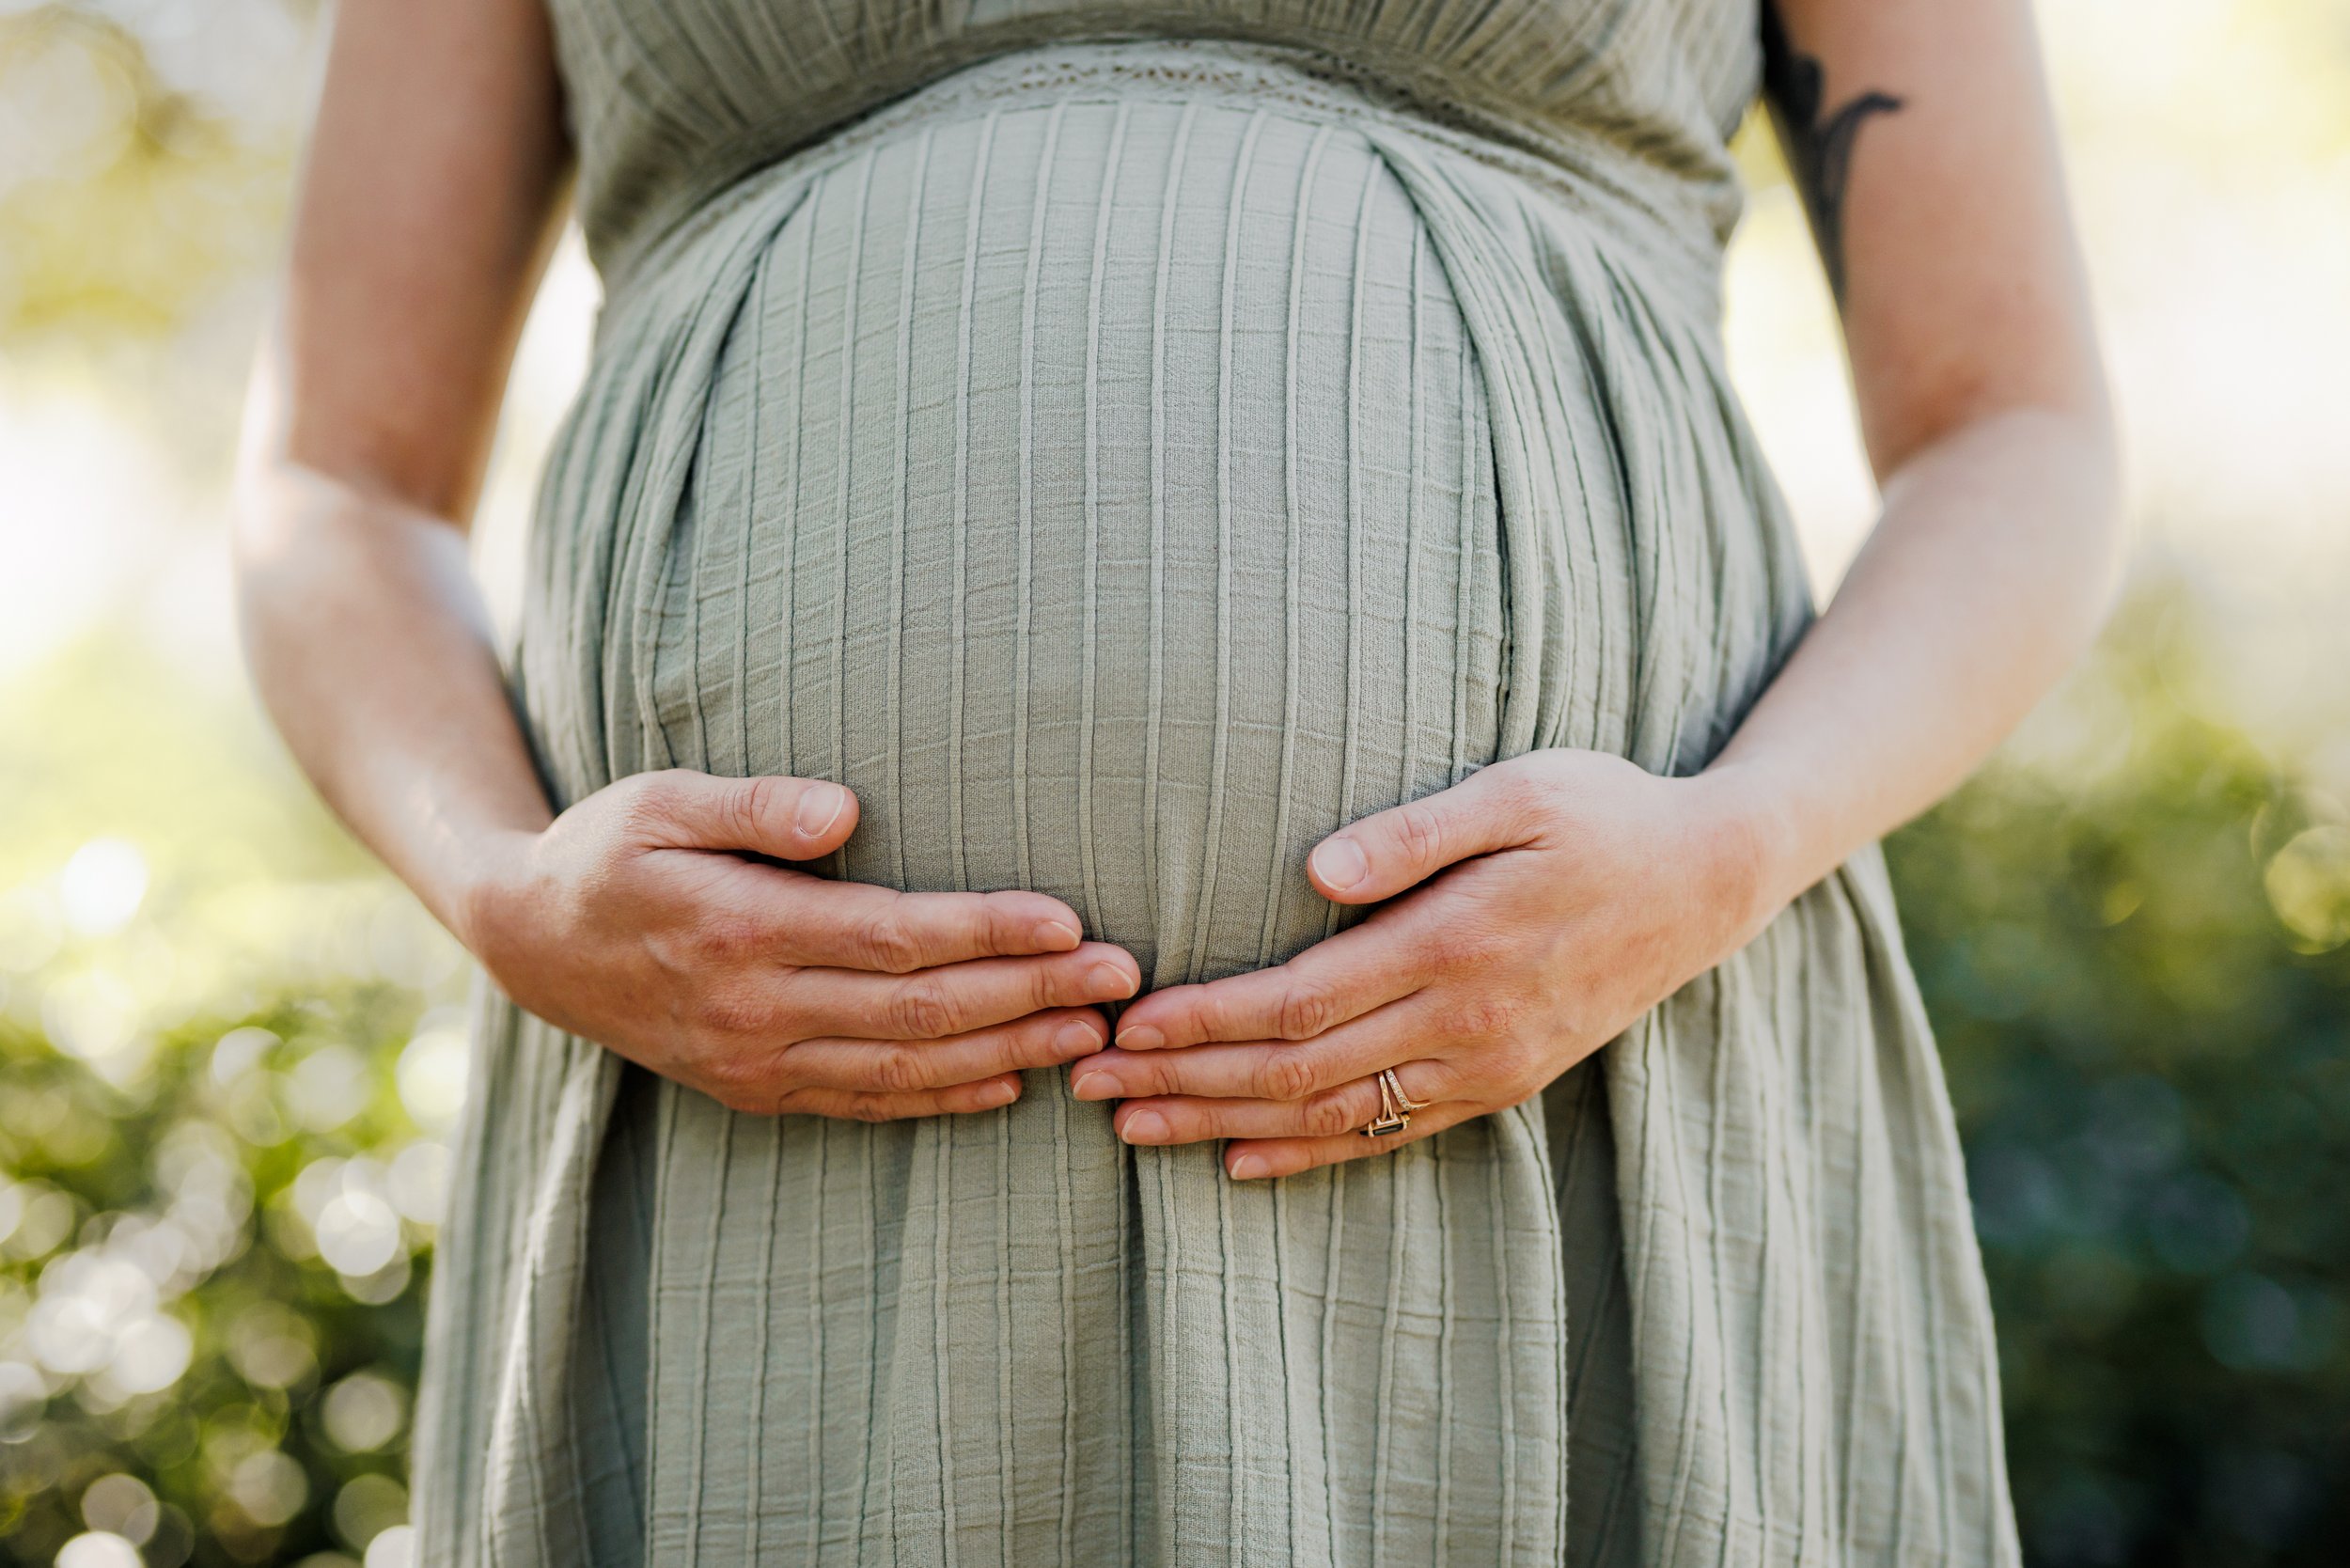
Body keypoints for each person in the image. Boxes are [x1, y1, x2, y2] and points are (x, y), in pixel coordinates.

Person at [231, 0, 2119, 1560]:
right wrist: (497, 884)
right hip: (749, 1141)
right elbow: (338, 477)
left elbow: (2011, 427)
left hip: (1580, 1075)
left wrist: (1724, 850)